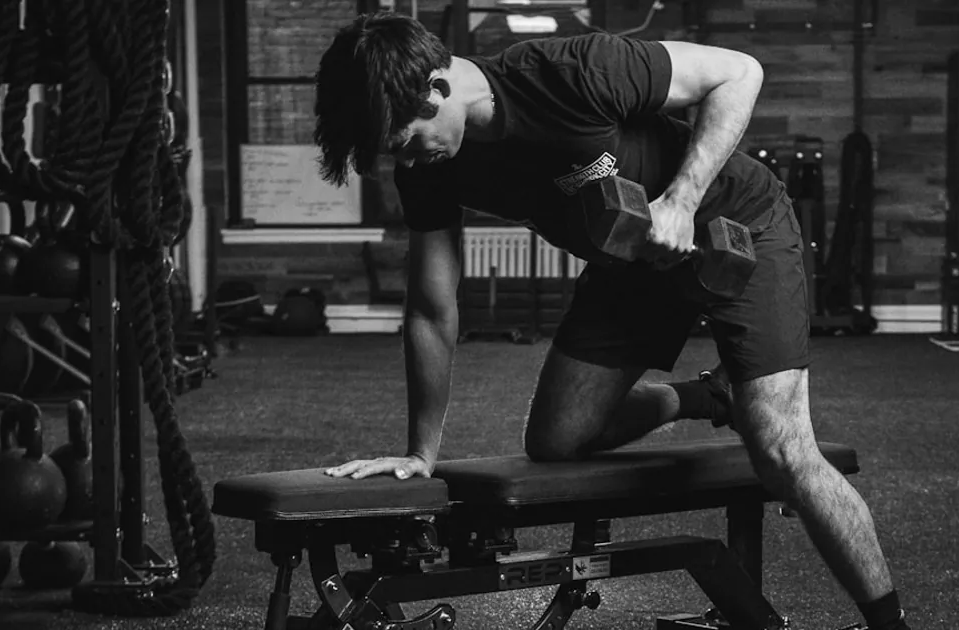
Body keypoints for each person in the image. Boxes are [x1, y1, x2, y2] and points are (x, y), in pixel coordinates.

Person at [312, 12, 912, 630]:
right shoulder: (430, 167)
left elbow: (739, 72)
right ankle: (709, 395)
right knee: (557, 441)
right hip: (629, 261)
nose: (406, 162)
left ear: (435, 88)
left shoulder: (570, 72)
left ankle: (889, 624)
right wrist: (421, 454)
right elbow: (433, 308)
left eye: (406, 139)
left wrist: (681, 199)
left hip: (738, 227)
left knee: (782, 449)